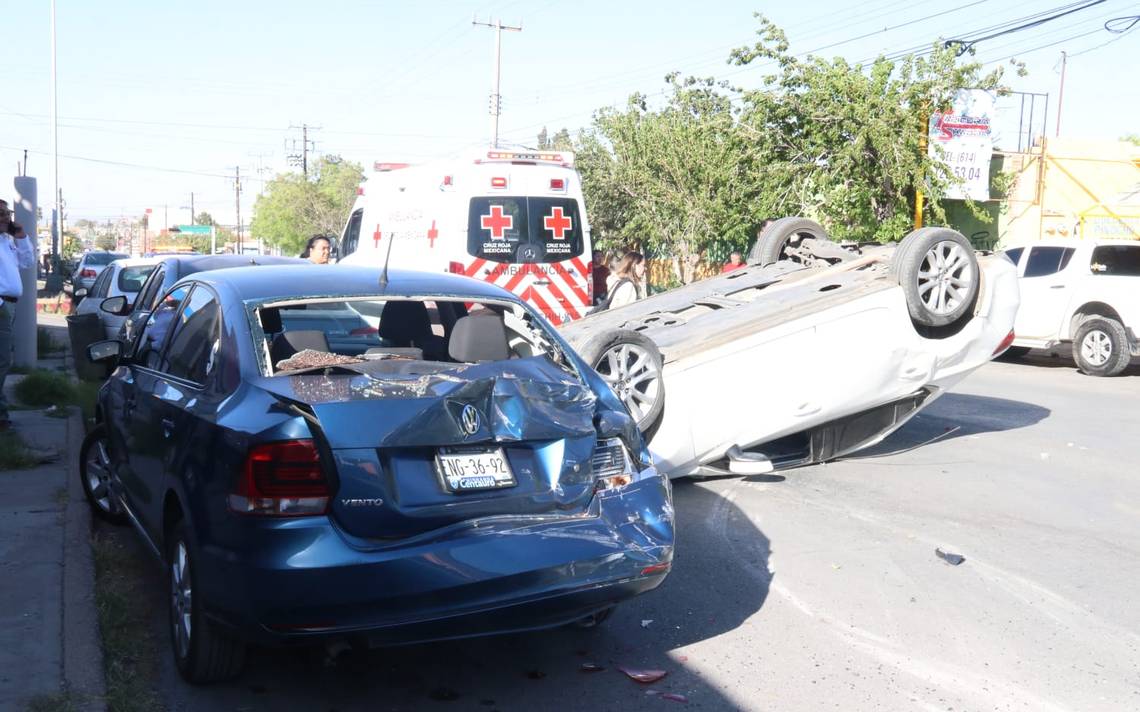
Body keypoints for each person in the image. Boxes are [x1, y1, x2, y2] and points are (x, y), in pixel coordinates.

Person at [0, 199, 35, 430]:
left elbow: (28, 261)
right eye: (1, 213)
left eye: (6, 213)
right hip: (2, 305)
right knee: (3, 361)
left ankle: (1, 414)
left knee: (2, 361)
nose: (6, 218)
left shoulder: (6, 240)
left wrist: (21, 236)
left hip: (9, 306)